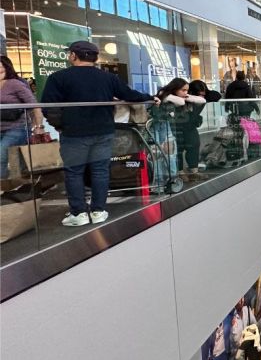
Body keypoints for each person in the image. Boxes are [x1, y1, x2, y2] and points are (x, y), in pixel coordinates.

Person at [40, 40, 152, 226]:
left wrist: (60, 125)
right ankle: (98, 211)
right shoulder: (107, 78)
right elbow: (129, 94)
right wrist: (151, 97)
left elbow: (49, 106)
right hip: (104, 131)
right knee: (100, 170)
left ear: (73, 55)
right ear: (96, 58)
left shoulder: (59, 77)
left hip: (74, 133)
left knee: (74, 172)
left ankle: (79, 213)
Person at [150, 78, 199, 185]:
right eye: (183, 90)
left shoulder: (170, 97)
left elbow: (202, 100)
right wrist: (175, 96)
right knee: (158, 155)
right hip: (156, 127)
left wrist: (184, 95)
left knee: (171, 154)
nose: (186, 93)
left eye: (187, 90)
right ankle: (160, 181)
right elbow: (181, 102)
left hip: (166, 125)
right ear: (175, 88)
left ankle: (172, 178)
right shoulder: (166, 96)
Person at [0, 56, 43, 179]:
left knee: (2, 157)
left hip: (16, 128)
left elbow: (34, 105)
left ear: (6, 67)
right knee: (16, 162)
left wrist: (39, 126)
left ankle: (2, 189)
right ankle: (14, 187)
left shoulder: (15, 84)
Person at [177, 80, 220, 180]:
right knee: (178, 149)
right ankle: (180, 172)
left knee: (194, 145)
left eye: (203, 95)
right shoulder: (181, 98)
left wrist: (199, 97)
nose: (201, 97)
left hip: (190, 126)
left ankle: (193, 171)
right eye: (199, 95)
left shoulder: (203, 98)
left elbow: (217, 96)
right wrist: (188, 97)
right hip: (177, 126)